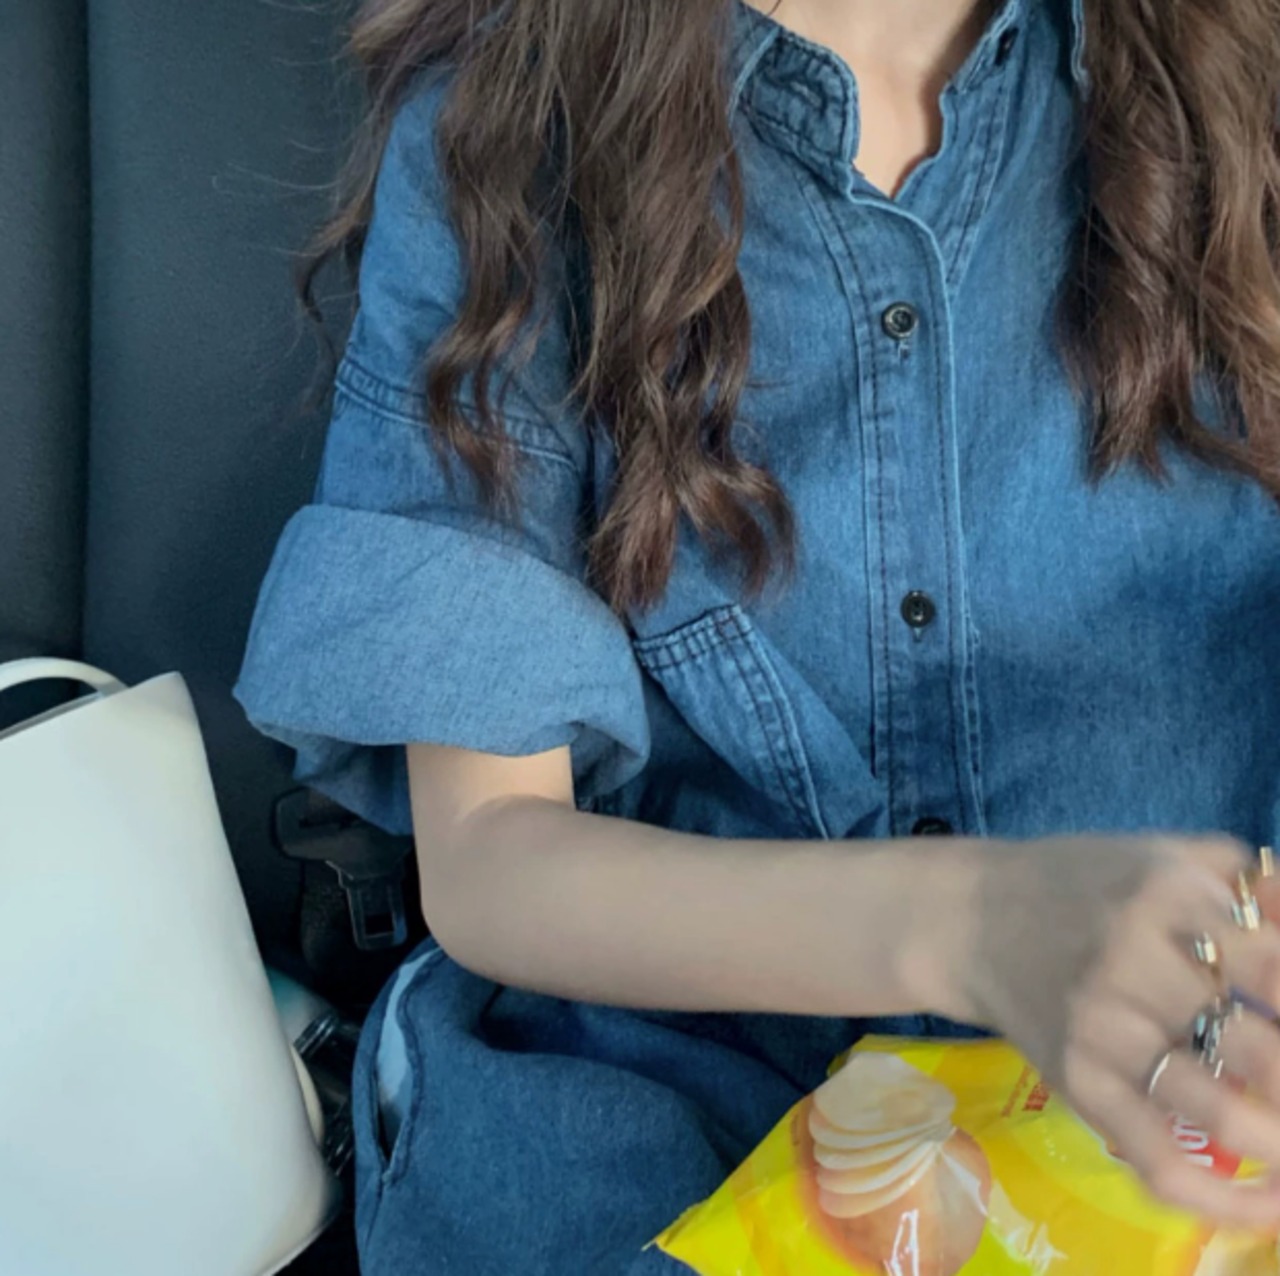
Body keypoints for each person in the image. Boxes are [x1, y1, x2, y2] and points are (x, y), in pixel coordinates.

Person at [233, 0, 1280, 1270]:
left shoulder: (1243, 83)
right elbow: (489, 858)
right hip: (681, 1094)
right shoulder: (508, 125)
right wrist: (978, 926)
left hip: (1196, 1085)